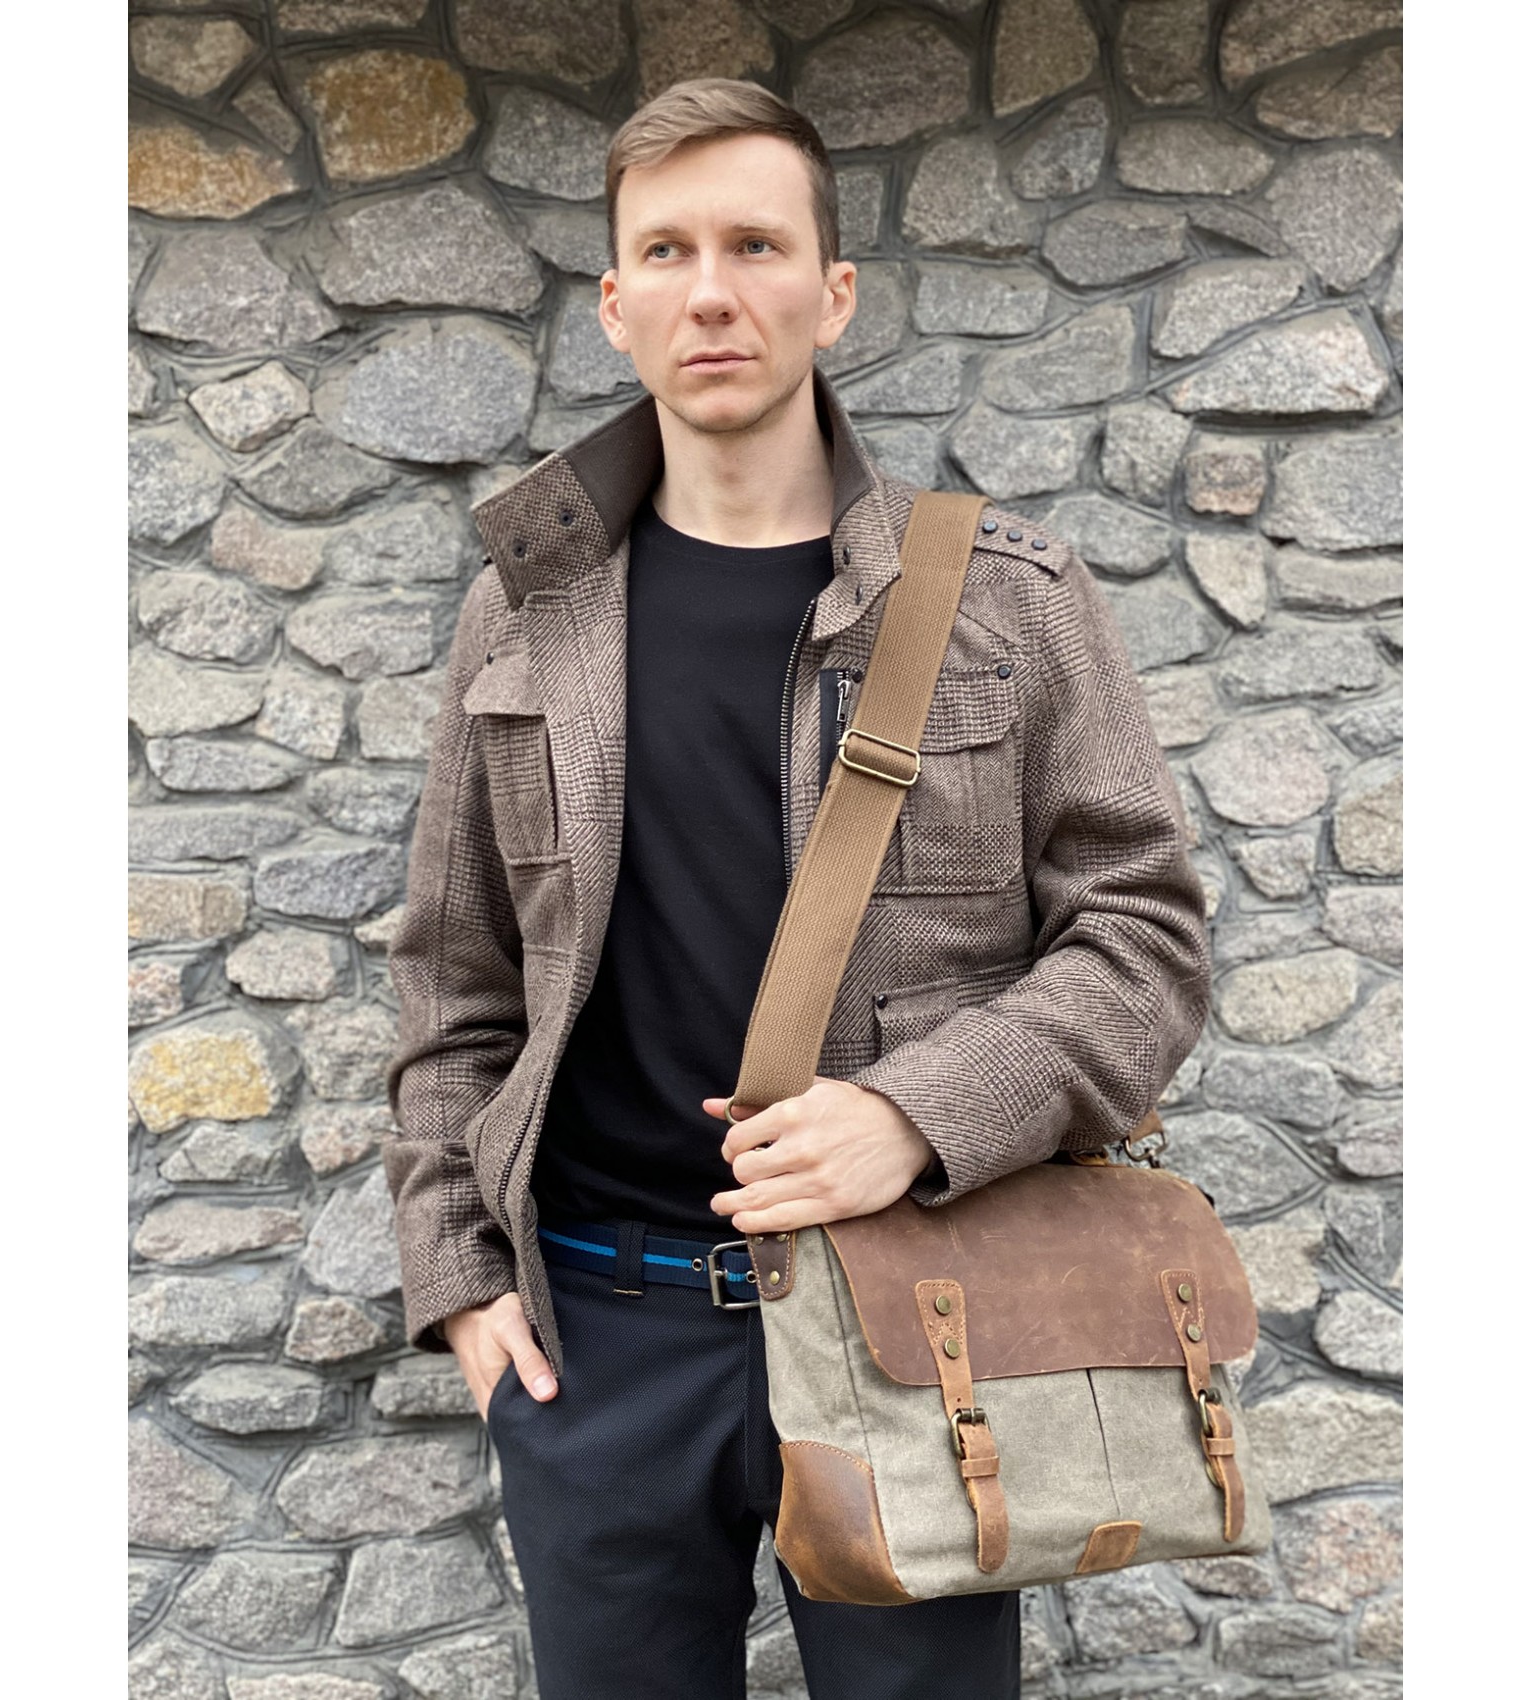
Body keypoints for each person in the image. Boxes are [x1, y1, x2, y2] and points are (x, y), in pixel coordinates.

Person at [384, 78, 1212, 1700]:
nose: (713, 292)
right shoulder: (520, 616)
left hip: (920, 1315)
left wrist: (915, 1115)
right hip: (599, 1340)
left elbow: (1145, 939)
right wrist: (463, 1286)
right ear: (615, 305)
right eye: (668, 252)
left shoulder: (1013, 598)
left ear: (833, 293)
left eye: (756, 246)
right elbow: (452, 980)